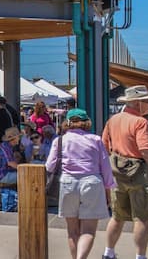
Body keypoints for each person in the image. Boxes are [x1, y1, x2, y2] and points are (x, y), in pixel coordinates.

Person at [101, 85, 148, 259]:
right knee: (142, 218)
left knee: (117, 217)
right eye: (147, 101)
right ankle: (140, 256)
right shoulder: (141, 123)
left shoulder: (113, 120)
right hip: (138, 173)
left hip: (116, 172)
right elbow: (145, 151)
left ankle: (108, 253)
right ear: (137, 103)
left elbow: (104, 147)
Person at [45, 108, 114, 259]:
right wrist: (109, 191)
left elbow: (49, 166)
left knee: (72, 230)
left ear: (67, 123)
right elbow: (106, 168)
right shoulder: (96, 140)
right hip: (92, 183)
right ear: (86, 122)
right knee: (88, 230)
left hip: (67, 183)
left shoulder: (59, 140)